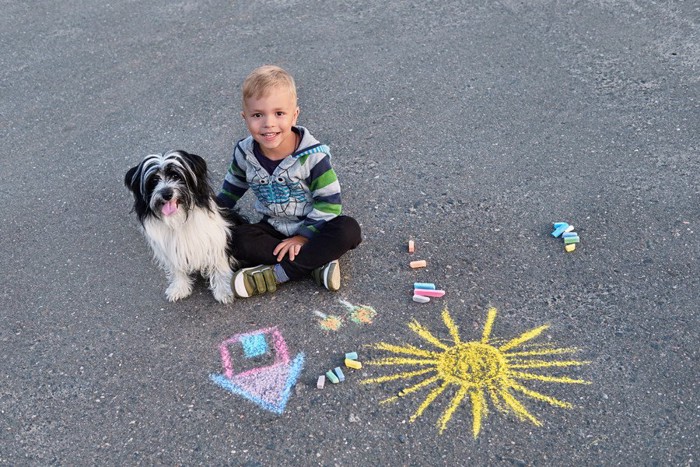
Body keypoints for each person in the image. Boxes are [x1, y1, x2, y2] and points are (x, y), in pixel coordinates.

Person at [217, 65, 362, 298]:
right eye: (257, 115)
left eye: (279, 114)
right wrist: (211, 213)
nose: (268, 123)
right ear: (245, 118)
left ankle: (278, 274)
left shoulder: (313, 157)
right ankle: (317, 264)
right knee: (236, 239)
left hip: (315, 229)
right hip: (273, 228)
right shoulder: (245, 153)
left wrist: (303, 237)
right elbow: (233, 185)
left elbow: (329, 203)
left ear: (295, 115)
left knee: (348, 230)